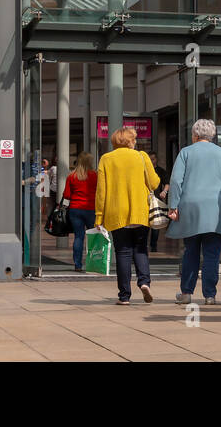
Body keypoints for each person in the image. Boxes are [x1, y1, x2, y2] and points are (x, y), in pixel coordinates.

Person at [167, 119, 221, 304]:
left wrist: (173, 206)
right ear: (212, 135)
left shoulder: (186, 152)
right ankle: (210, 295)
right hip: (217, 207)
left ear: (195, 135)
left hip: (191, 207)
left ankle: (186, 293)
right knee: (212, 254)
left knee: (191, 251)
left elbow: (176, 181)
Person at [95, 124, 161, 304]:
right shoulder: (142, 156)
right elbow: (154, 183)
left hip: (116, 213)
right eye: (134, 139)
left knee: (123, 253)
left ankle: (124, 296)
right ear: (130, 141)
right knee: (141, 249)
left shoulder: (106, 159)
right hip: (140, 212)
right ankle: (144, 282)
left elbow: (101, 191)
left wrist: (99, 216)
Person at [61, 152, 98, 271]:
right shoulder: (95, 176)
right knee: (93, 236)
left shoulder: (72, 176)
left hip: (75, 209)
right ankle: (93, 263)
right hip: (91, 209)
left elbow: (66, 195)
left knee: (78, 237)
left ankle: (78, 265)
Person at [148, 152, 169, 252]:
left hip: (156, 201)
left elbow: (167, 183)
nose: (151, 161)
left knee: (156, 224)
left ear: (156, 159)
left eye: (153, 159)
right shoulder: (144, 170)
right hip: (145, 201)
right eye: (150, 159)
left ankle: (153, 246)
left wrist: (164, 192)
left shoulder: (160, 171)